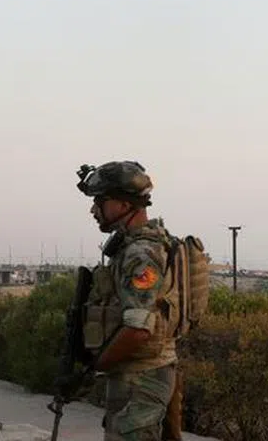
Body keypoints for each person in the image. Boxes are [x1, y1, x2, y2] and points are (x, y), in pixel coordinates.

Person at [76, 160, 180, 440]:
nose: (93, 210)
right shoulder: (132, 248)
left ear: (123, 204)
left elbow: (137, 330)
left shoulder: (141, 254)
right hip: (137, 376)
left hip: (142, 379)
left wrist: (94, 367)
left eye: (100, 201)